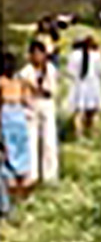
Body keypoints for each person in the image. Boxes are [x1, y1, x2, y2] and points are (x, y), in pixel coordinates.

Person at [17, 41, 59, 184]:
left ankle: (50, 175)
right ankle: (32, 174)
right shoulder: (25, 72)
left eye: (40, 53)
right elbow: (22, 91)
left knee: (49, 141)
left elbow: (50, 91)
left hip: (46, 105)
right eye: (34, 54)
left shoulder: (50, 70)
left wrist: (35, 87)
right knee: (31, 141)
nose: (37, 57)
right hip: (30, 106)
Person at [1, 52, 34, 198]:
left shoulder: (2, 82)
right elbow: (28, 99)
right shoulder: (20, 81)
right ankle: (22, 181)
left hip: (7, 114)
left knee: (10, 147)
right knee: (20, 147)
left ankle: (13, 183)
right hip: (18, 113)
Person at [65, 36, 101, 139]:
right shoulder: (96, 55)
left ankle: (79, 135)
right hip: (94, 84)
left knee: (78, 112)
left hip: (79, 85)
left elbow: (70, 72)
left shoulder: (74, 55)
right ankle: (94, 135)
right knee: (94, 112)